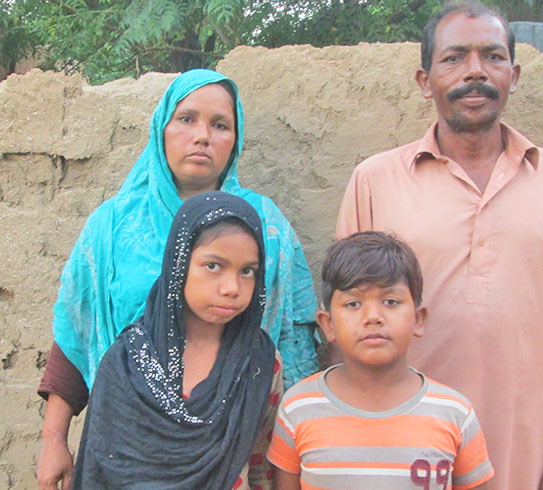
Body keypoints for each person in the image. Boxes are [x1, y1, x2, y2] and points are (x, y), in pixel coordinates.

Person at [335, 2, 543, 489]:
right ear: (424, 80)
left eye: (493, 57)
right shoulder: (374, 180)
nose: (475, 71)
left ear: (514, 75)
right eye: (455, 57)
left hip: (522, 447)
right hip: (403, 444)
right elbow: (349, 318)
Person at [37, 69, 319, 490]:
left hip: (230, 449)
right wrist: (53, 439)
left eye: (220, 124)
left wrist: (299, 451)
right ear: (161, 128)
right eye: (186, 119)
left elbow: (296, 341)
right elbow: (77, 330)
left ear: (235, 141)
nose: (202, 135)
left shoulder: (267, 226)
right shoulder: (112, 226)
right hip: (127, 446)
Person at [73, 191, 280, 489]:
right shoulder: (128, 363)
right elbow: (103, 469)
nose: (232, 287)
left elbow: (262, 466)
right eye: (213, 266)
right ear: (179, 265)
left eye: (247, 271)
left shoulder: (261, 363)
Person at [267, 231, 494, 490]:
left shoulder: (454, 413)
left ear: (418, 319)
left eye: (391, 301)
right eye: (353, 304)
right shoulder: (299, 408)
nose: (373, 316)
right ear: (328, 325)